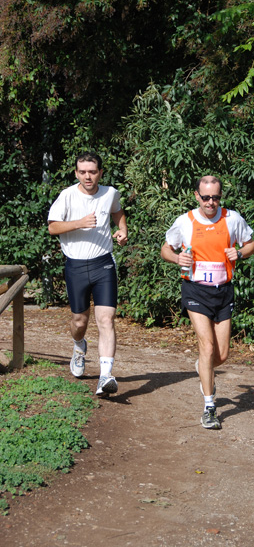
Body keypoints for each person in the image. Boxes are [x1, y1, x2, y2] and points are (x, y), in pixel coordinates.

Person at [161, 175, 254, 429]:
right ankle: (209, 407)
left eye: (215, 197)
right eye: (206, 198)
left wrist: (240, 252)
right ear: (196, 196)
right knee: (206, 346)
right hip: (195, 290)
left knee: (221, 355)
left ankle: (203, 368)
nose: (211, 202)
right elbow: (165, 249)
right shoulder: (185, 221)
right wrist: (176, 259)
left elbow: (250, 244)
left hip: (223, 291)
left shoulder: (232, 218)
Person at [48, 151, 128, 396]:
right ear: (76, 173)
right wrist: (78, 223)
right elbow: (52, 227)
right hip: (76, 266)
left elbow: (117, 211)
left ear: (100, 173)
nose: (87, 176)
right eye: (82, 172)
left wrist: (122, 229)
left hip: (103, 263)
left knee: (106, 319)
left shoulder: (110, 193)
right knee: (79, 322)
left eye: (92, 172)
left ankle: (105, 376)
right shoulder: (67, 196)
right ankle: (79, 347)